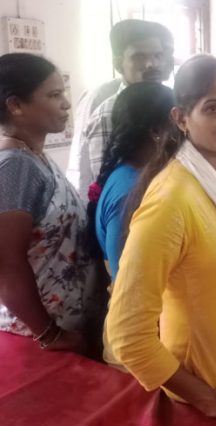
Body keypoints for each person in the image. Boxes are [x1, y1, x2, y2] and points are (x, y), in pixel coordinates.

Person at [106, 55, 216, 425]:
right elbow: (127, 332)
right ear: (181, 118)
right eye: (214, 108)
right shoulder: (170, 200)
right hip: (207, 382)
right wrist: (205, 397)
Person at [0, 53, 106, 356]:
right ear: (16, 105)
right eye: (54, 95)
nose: (66, 104)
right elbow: (7, 266)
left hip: (68, 323)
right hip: (40, 336)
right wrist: (51, 335)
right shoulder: (16, 168)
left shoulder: (35, 157)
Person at [67, 19, 174, 199]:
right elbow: (106, 183)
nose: (152, 64)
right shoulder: (109, 112)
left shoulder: (171, 104)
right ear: (118, 63)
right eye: (139, 57)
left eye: (157, 55)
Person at [89, 82, 175, 280]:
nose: (186, 131)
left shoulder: (136, 175)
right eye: (178, 122)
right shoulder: (130, 190)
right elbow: (128, 279)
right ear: (156, 132)